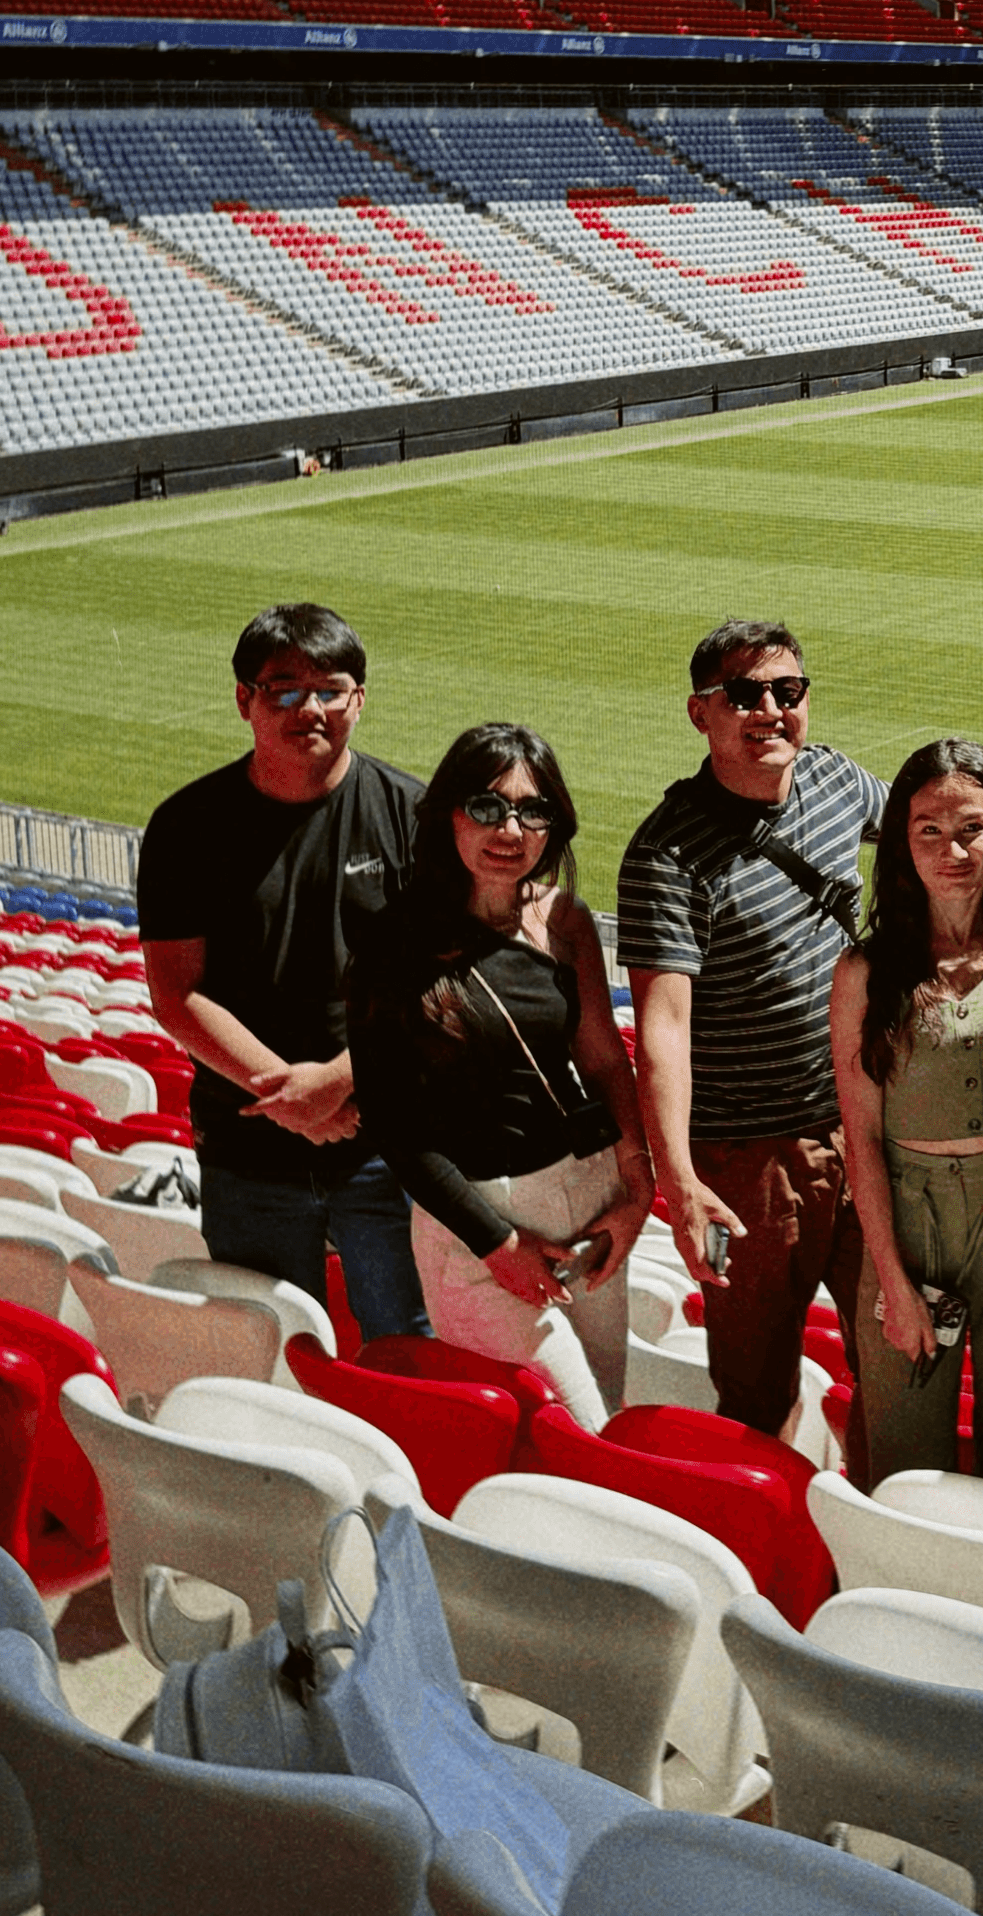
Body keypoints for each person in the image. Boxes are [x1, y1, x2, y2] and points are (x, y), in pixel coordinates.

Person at [620, 611, 983, 1440]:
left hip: (872, 1138)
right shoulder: (666, 853)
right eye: (743, 694)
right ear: (700, 711)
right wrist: (678, 1178)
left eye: (785, 691)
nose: (768, 710)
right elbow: (663, 1026)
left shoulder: (827, 778)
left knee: (890, 1372)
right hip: (755, 1159)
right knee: (757, 1388)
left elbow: (940, 810)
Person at [345, 722, 654, 1425]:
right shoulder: (391, 943)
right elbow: (393, 1125)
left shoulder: (565, 920)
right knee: (580, 1433)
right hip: (475, 1220)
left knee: (607, 1407)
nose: (509, 828)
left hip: (585, 1194)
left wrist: (637, 1185)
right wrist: (498, 1244)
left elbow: (603, 1059)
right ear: (448, 812)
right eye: (486, 806)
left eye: (532, 809)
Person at [138, 601, 428, 1341]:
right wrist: (293, 1096)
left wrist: (336, 1081)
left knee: (406, 1347)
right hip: (248, 1147)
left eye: (330, 689)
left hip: (387, 1143)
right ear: (245, 700)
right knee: (267, 1348)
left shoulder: (413, 815)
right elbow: (177, 993)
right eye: (285, 691)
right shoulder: (186, 825)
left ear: (359, 699)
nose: (311, 709)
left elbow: (440, 983)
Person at [829, 737, 983, 1492]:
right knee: (902, 1447)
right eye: (928, 829)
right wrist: (892, 1282)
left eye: (971, 828)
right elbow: (859, 1137)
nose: (952, 849)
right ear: (901, 842)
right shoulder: (865, 970)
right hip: (908, 1215)